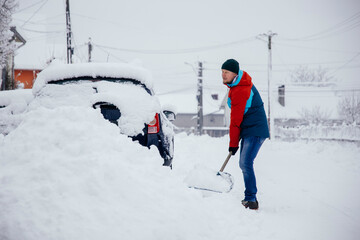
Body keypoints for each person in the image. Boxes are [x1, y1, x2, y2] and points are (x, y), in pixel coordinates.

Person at [221, 59, 269, 210]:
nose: (223, 75)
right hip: (249, 129)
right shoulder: (236, 86)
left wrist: (233, 144)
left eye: (226, 72)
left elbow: (235, 120)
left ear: (235, 73)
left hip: (255, 130)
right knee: (244, 163)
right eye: (222, 72)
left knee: (245, 163)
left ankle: (251, 199)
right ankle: (250, 198)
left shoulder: (241, 90)